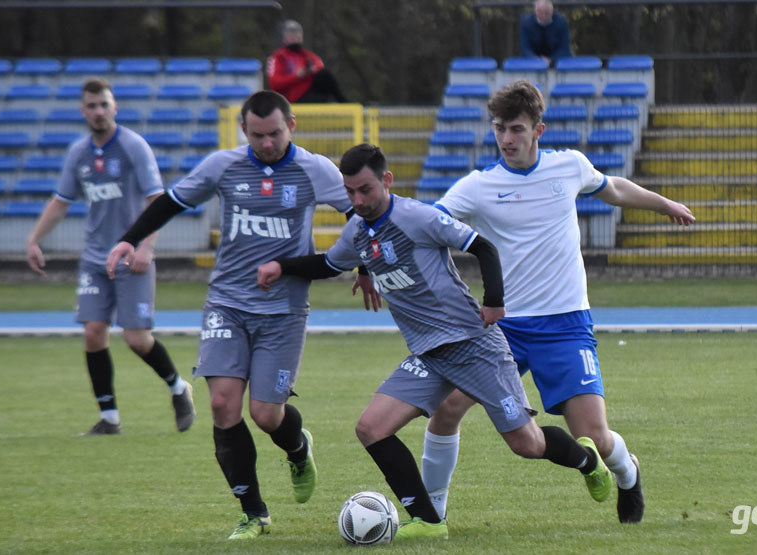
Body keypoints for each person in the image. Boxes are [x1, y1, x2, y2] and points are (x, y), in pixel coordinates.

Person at [257, 143, 616, 540]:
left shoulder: (418, 217)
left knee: (527, 444)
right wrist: (283, 266)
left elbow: (483, 246)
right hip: (428, 355)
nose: (357, 200)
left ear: (386, 182)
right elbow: (327, 263)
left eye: (366, 190)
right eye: (350, 192)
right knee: (371, 427)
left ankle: (587, 461)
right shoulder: (357, 231)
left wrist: (494, 301)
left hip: (475, 346)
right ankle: (428, 521)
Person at [104, 90, 378, 540]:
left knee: (267, 414)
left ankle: (297, 446)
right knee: (221, 404)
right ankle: (253, 513)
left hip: (284, 310)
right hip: (227, 303)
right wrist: (130, 239)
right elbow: (171, 201)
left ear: (292, 124)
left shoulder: (314, 170)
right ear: (243, 130)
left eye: (274, 133)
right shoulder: (223, 165)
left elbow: (361, 213)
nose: (267, 143)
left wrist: (365, 265)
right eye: (257, 135)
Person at [419, 79, 695, 524]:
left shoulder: (569, 167)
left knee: (595, 438)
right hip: (504, 328)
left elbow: (615, 189)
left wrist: (664, 205)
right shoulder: (478, 186)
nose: (506, 139)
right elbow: (428, 222)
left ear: (538, 130)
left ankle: (629, 474)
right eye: (499, 128)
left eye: (516, 128)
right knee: (447, 407)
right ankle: (431, 513)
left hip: (565, 324)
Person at [25, 77, 194, 436]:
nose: (98, 112)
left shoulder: (134, 147)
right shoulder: (79, 153)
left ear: (114, 107)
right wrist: (35, 239)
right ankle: (110, 418)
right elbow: (61, 202)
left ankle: (179, 388)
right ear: (82, 110)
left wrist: (147, 246)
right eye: (91, 106)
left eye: (104, 104)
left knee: (136, 338)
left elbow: (157, 201)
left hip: (131, 255)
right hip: (94, 258)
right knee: (94, 333)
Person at [266, 19, 348, 103]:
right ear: (284, 39)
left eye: (297, 36)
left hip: (309, 92)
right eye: (291, 36)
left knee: (325, 75)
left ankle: (344, 103)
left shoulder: (309, 56)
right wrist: (296, 76)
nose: (295, 39)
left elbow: (320, 70)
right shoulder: (277, 57)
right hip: (291, 98)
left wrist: (309, 72)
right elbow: (274, 83)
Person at [520, 0, 572, 66]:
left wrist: (551, 60)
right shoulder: (526, 23)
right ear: (535, 11)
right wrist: (535, 59)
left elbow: (564, 48)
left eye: (546, 13)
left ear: (552, 11)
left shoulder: (562, 22)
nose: (543, 16)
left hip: (558, 62)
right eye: (540, 12)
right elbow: (525, 48)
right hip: (533, 62)